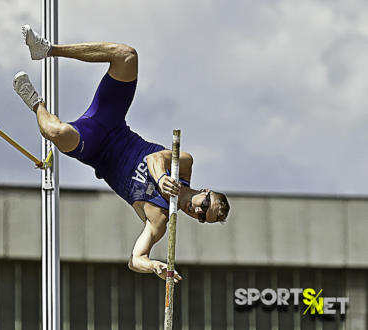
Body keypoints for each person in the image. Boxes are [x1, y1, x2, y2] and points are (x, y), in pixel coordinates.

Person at [13, 25, 230, 283]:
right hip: (112, 123)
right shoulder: (183, 167)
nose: (198, 212)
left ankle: (36, 102)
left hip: (95, 149)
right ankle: (47, 49)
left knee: (57, 133)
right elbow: (154, 158)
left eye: (204, 218)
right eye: (205, 205)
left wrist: (152, 267)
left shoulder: (159, 219)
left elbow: (135, 259)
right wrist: (161, 179)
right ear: (204, 191)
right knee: (127, 56)